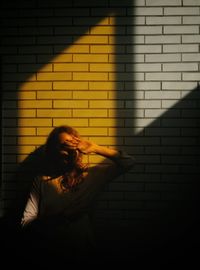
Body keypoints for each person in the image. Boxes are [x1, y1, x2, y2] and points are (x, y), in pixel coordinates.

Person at [20, 125, 135, 260]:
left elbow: (129, 162)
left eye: (72, 145)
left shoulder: (92, 175)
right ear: (53, 150)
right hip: (49, 251)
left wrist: (96, 148)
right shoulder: (41, 180)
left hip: (83, 251)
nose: (68, 151)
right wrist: (61, 218)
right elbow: (26, 223)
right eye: (63, 146)